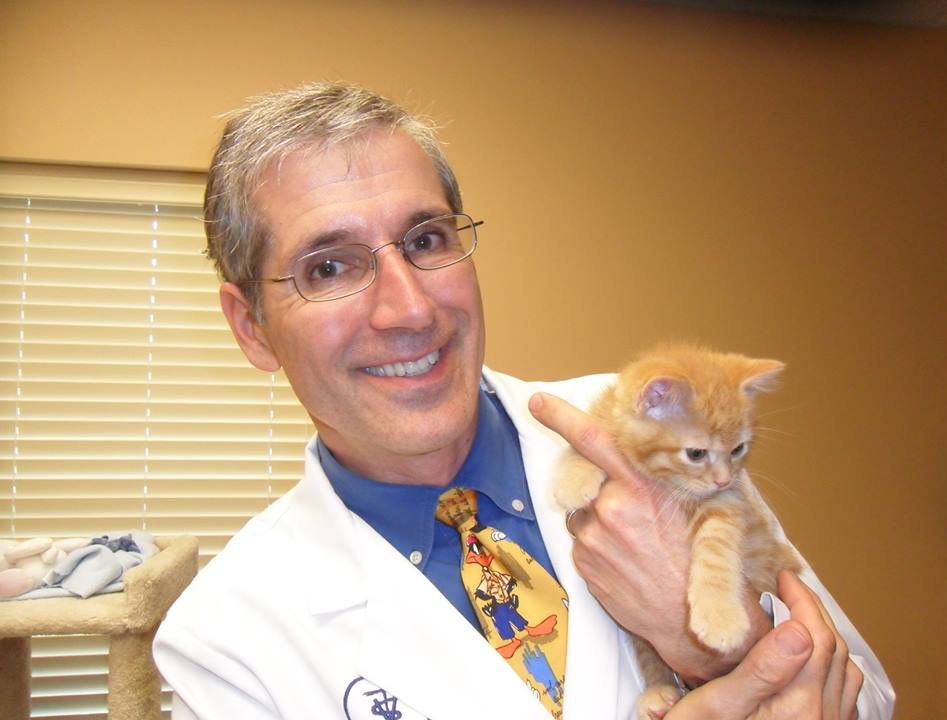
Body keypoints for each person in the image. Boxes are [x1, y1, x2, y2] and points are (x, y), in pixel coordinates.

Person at [152, 82, 895, 720]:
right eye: (330, 266)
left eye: (426, 239)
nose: (409, 309)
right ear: (252, 328)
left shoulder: (648, 434)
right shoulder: (224, 642)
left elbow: (868, 695)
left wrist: (707, 644)